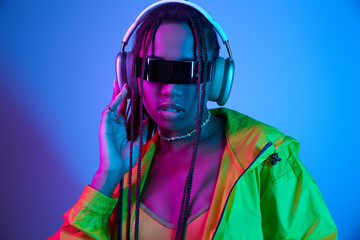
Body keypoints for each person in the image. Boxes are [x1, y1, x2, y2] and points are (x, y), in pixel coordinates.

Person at [49, 1, 337, 239]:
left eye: (188, 71)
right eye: (156, 69)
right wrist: (108, 175)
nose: (170, 88)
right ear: (131, 76)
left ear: (218, 79)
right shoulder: (125, 172)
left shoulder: (267, 157)